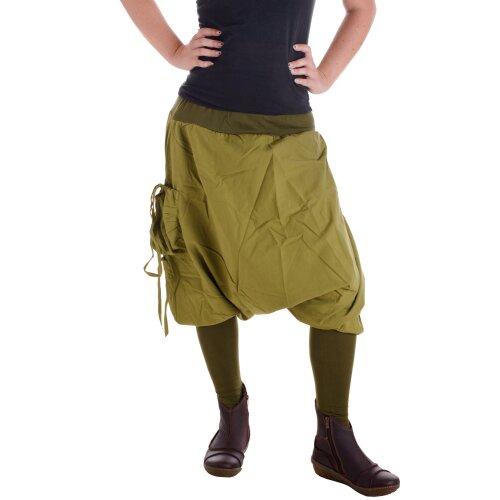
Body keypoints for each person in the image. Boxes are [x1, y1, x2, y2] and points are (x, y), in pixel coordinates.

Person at [120, 0, 400, 495]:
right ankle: (232, 415)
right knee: (204, 272)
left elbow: (361, 8)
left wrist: (326, 74)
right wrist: (174, 50)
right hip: (203, 129)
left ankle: (334, 437)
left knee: (337, 282)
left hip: (290, 132)